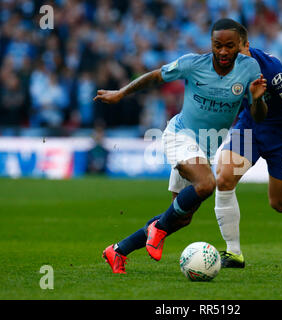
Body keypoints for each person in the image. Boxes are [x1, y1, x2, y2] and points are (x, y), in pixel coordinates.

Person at [93, 18, 268, 274]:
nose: (222, 51)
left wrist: (258, 99)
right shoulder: (193, 63)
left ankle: (118, 250)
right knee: (207, 184)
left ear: (240, 45)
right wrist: (121, 92)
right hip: (180, 136)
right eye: (217, 44)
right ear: (211, 43)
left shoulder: (250, 68)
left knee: (181, 218)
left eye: (229, 46)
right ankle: (158, 228)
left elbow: (259, 115)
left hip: (207, 147)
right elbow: (155, 76)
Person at [214, 23, 282, 268]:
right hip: (249, 127)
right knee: (224, 178)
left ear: (246, 45)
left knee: (279, 205)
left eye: (234, 49)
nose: (228, 55)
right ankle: (233, 253)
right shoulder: (221, 67)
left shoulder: (271, 68)